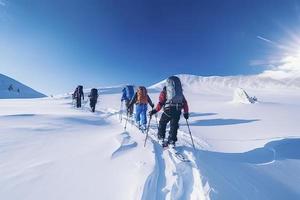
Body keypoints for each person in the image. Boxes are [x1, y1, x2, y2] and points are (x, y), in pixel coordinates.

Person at [149, 76, 189, 147]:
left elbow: (161, 103)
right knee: (174, 125)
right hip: (177, 110)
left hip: (168, 110)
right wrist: (186, 112)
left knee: (162, 122)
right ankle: (172, 141)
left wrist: (155, 110)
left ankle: (161, 137)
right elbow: (185, 103)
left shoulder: (164, 92)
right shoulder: (180, 93)